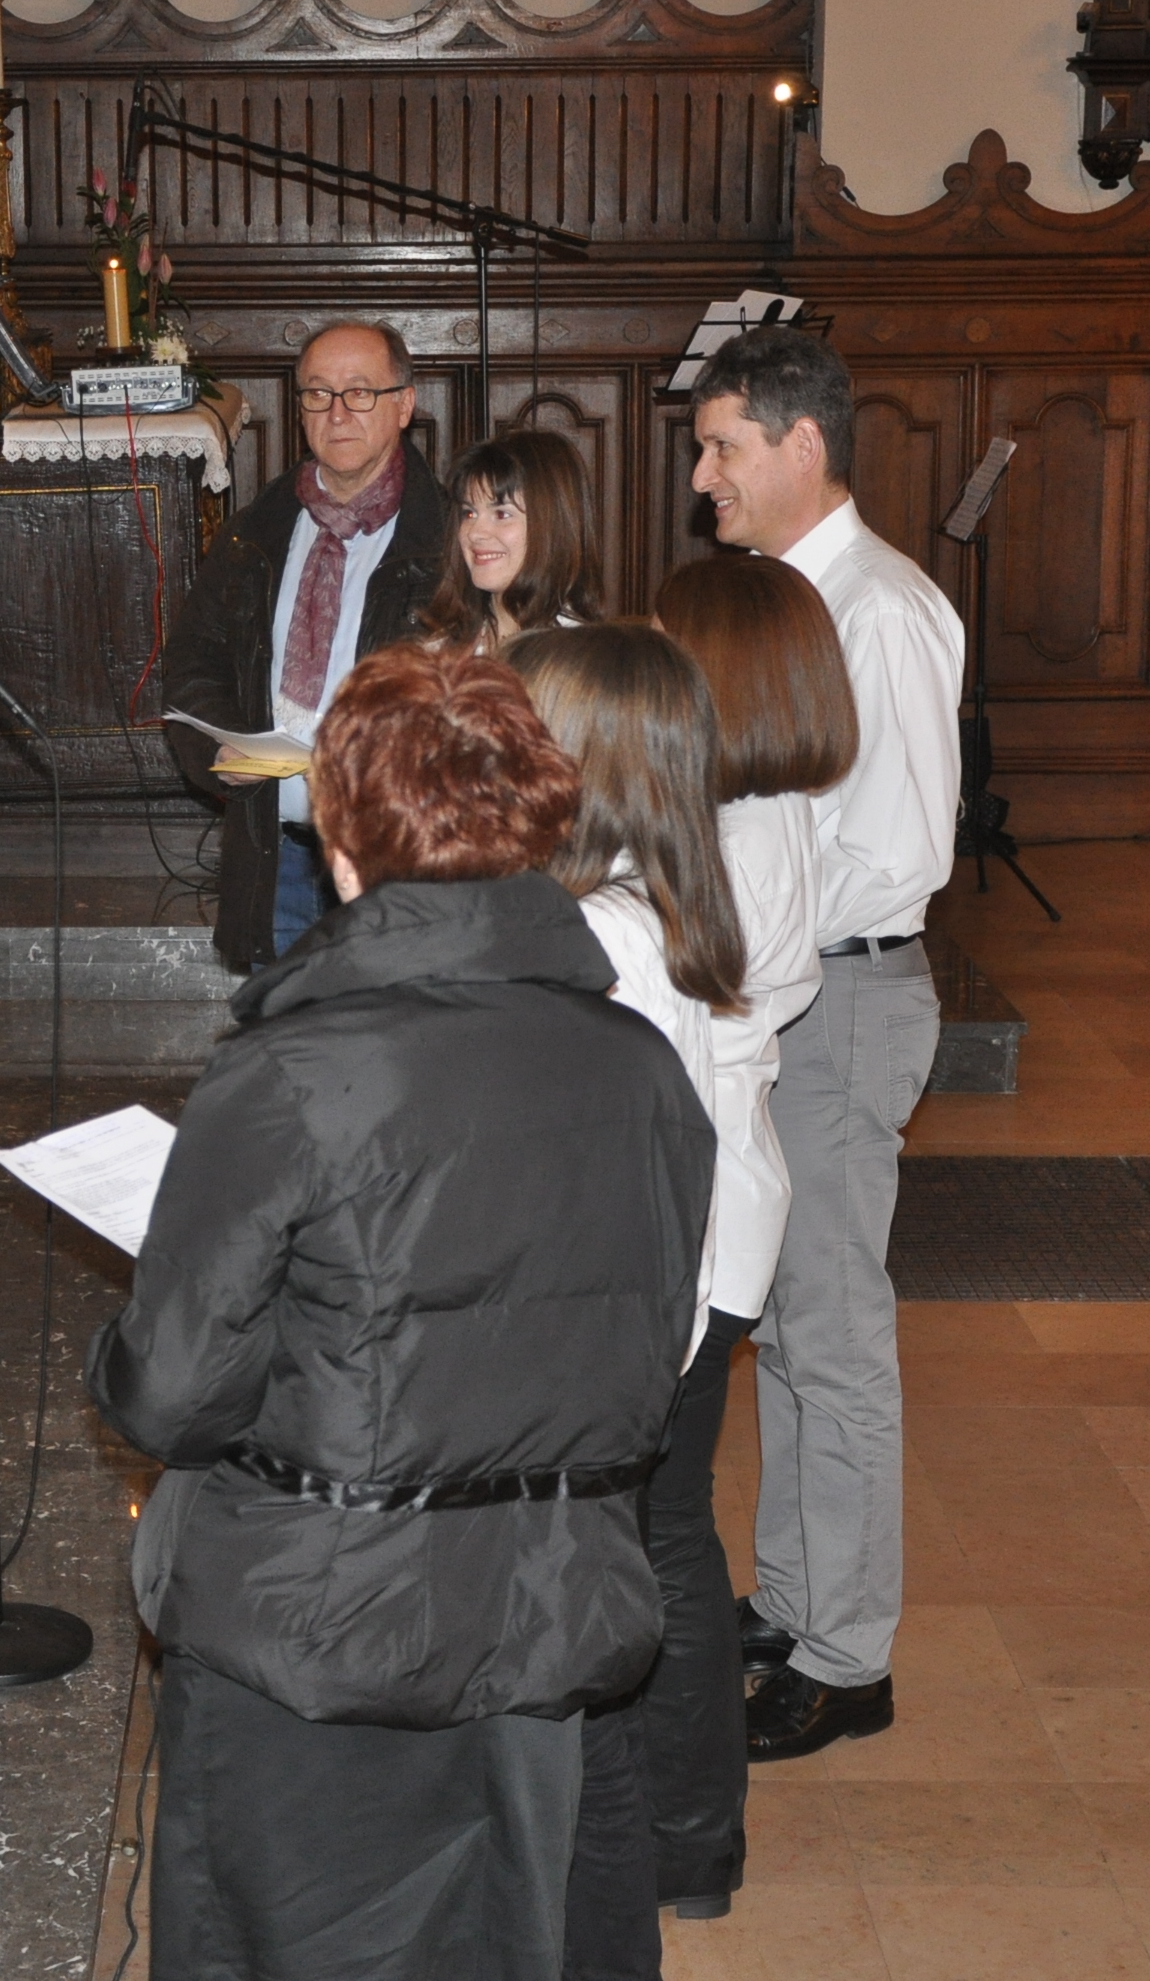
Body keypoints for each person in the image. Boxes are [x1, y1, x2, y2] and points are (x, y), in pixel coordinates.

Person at [90, 646, 715, 1981]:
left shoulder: (290, 1075)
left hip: (316, 1634)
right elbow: (650, 1358)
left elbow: (171, 1397)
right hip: (545, 1615)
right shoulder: (643, 1071)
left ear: (343, 847)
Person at [684, 328, 963, 1764]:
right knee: (784, 1323)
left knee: (835, 1334)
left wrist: (747, 936)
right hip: (793, 988)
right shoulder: (791, 598)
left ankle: (849, 1658)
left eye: (722, 447)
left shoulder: (881, 610)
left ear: (804, 445)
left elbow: (900, 854)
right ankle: (795, 1601)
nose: (703, 476)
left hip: (842, 997)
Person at [506, 623, 744, 1980]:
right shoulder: (648, 908)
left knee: (580, 1703)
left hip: (596, 1367)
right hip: (634, 1345)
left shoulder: (598, 943)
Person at [647, 549, 854, 1883]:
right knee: (662, 1525)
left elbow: (676, 1016)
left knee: (662, 1534)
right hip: (718, 1192)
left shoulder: (731, 834)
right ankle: (682, 1825)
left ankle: (686, 1835)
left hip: (696, 1208)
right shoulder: (752, 810)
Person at [161, 320, 455, 967]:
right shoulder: (256, 532)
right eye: (318, 394)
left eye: (360, 392)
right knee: (284, 1026)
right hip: (277, 856)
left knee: (388, 1027)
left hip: (396, 859)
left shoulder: (448, 543)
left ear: (404, 404)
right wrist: (220, 745)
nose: (337, 413)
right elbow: (193, 659)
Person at [422, 430, 603, 653]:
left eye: (501, 514)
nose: (475, 533)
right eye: (469, 513)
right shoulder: (440, 650)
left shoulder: (577, 656)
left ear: (552, 525)